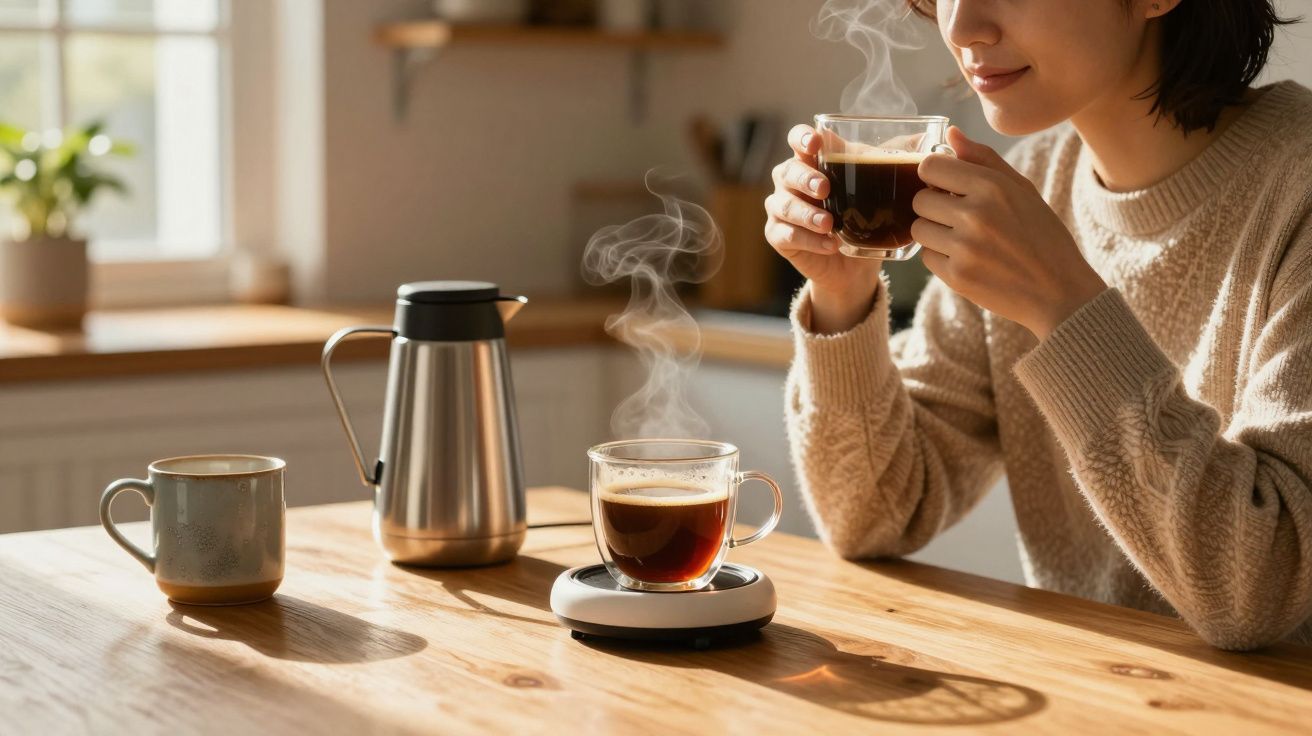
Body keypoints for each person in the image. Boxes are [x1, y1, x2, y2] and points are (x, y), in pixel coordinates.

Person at [765, 0, 1311, 650]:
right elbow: (875, 514)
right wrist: (843, 293)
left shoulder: (1296, 194)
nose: (962, 27)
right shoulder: (1030, 188)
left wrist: (1063, 305)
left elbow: (1261, 592)